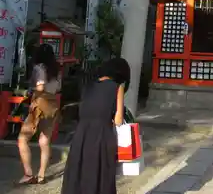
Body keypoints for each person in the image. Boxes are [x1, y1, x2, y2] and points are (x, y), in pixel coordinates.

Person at [61, 57, 130, 194]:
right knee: (100, 173)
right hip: (102, 135)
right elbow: (118, 120)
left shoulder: (88, 86)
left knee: (80, 171)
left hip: (82, 135)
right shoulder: (117, 87)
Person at [17, 44, 61, 185]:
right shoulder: (56, 70)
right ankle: (41, 175)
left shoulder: (39, 68)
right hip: (53, 104)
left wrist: (31, 89)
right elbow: (58, 87)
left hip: (40, 103)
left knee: (22, 139)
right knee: (44, 140)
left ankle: (29, 173)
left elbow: (40, 87)